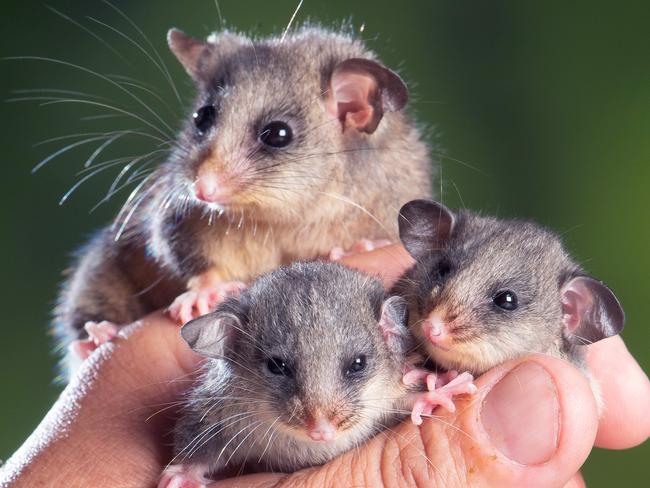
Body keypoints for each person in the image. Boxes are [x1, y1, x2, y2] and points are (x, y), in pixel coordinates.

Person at [1, 245, 648, 488]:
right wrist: (189, 466)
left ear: (390, 336)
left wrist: (418, 400)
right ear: (230, 343)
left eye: (355, 367)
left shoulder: (404, 371)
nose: (319, 415)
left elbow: (398, 399)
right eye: (279, 367)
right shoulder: (226, 405)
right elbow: (196, 431)